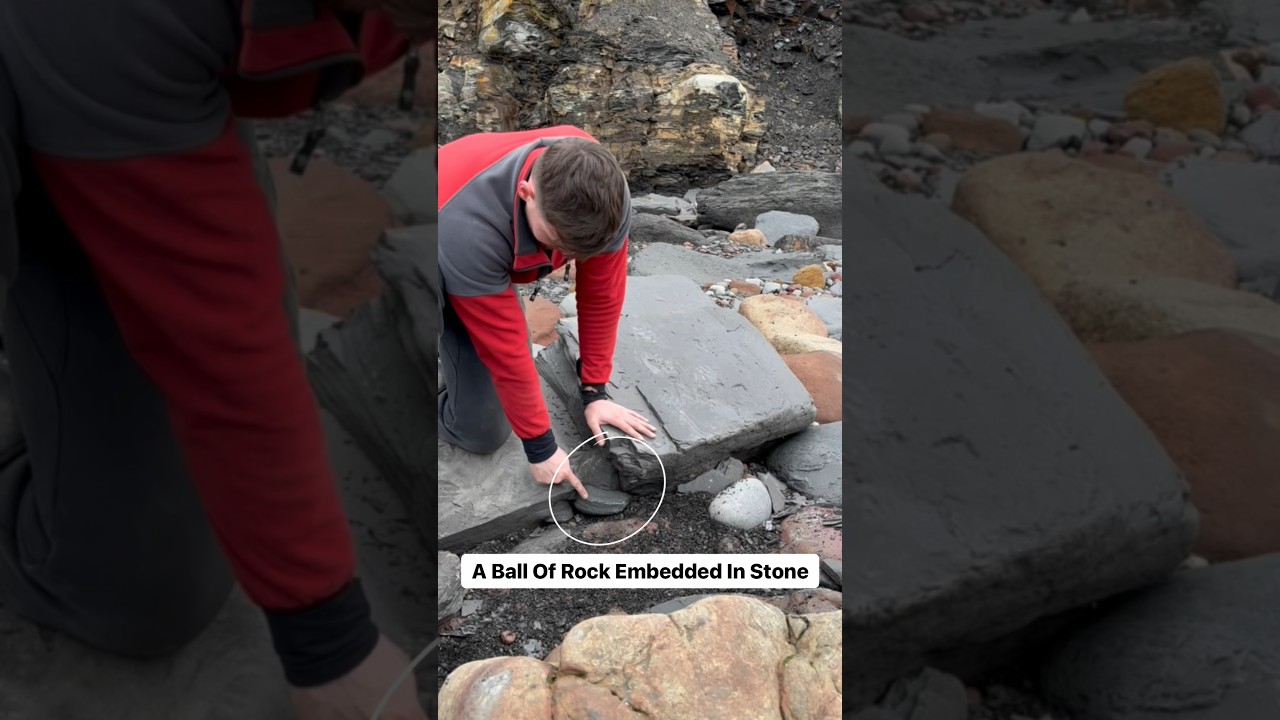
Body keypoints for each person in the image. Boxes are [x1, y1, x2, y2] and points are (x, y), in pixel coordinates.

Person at [0, 1, 433, 718]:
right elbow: (223, 343)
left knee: (155, 583)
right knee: (127, 590)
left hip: (128, 72)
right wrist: (331, 647)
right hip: (97, 39)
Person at [438, 127, 658, 498]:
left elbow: (602, 297)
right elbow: (505, 350)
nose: (567, 258)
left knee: (481, 432)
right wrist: (540, 448)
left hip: (475, 247)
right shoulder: (468, 228)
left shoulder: (606, 195)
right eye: (558, 244)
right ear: (528, 194)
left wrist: (595, 391)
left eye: (579, 253)